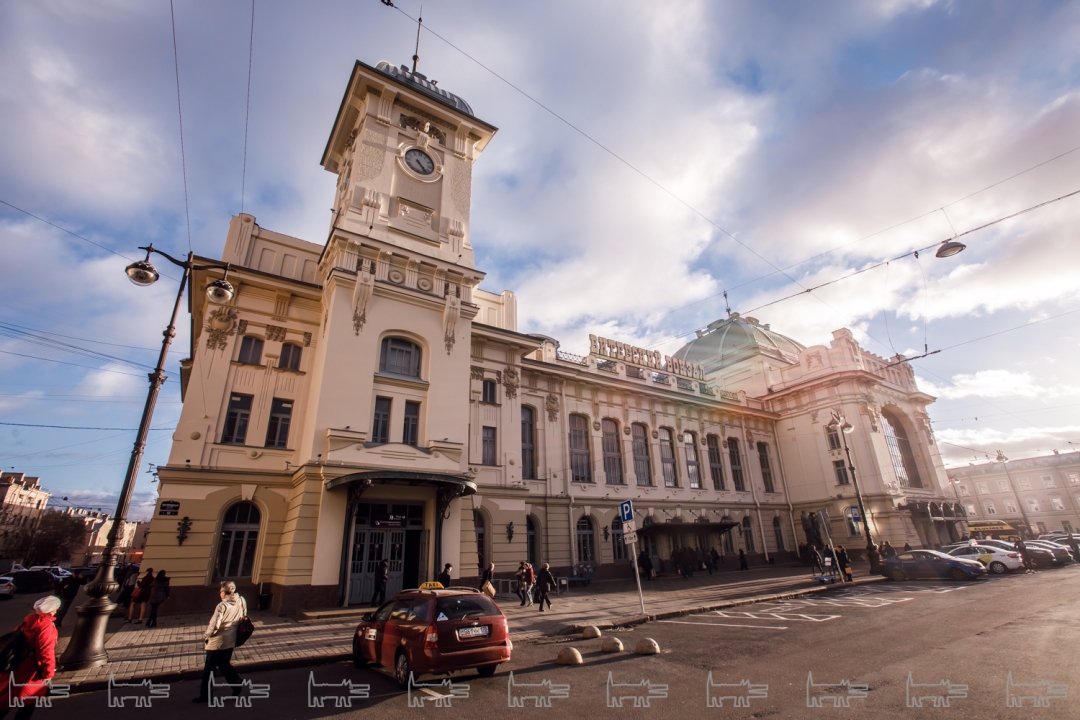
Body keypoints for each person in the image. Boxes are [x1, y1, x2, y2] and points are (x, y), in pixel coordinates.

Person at [0, 595, 61, 720]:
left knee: (11, 700)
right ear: (52, 610)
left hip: (17, 666)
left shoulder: (26, 621)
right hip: (31, 671)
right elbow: (46, 651)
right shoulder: (46, 626)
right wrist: (48, 672)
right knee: (28, 701)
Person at [192, 582, 247, 704]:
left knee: (209, 670)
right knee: (223, 664)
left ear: (225, 592)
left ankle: (205, 695)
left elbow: (215, 625)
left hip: (217, 641)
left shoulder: (222, 606)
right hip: (231, 639)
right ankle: (236, 682)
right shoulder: (241, 600)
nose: (219, 594)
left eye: (220, 591)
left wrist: (207, 635)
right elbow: (244, 616)